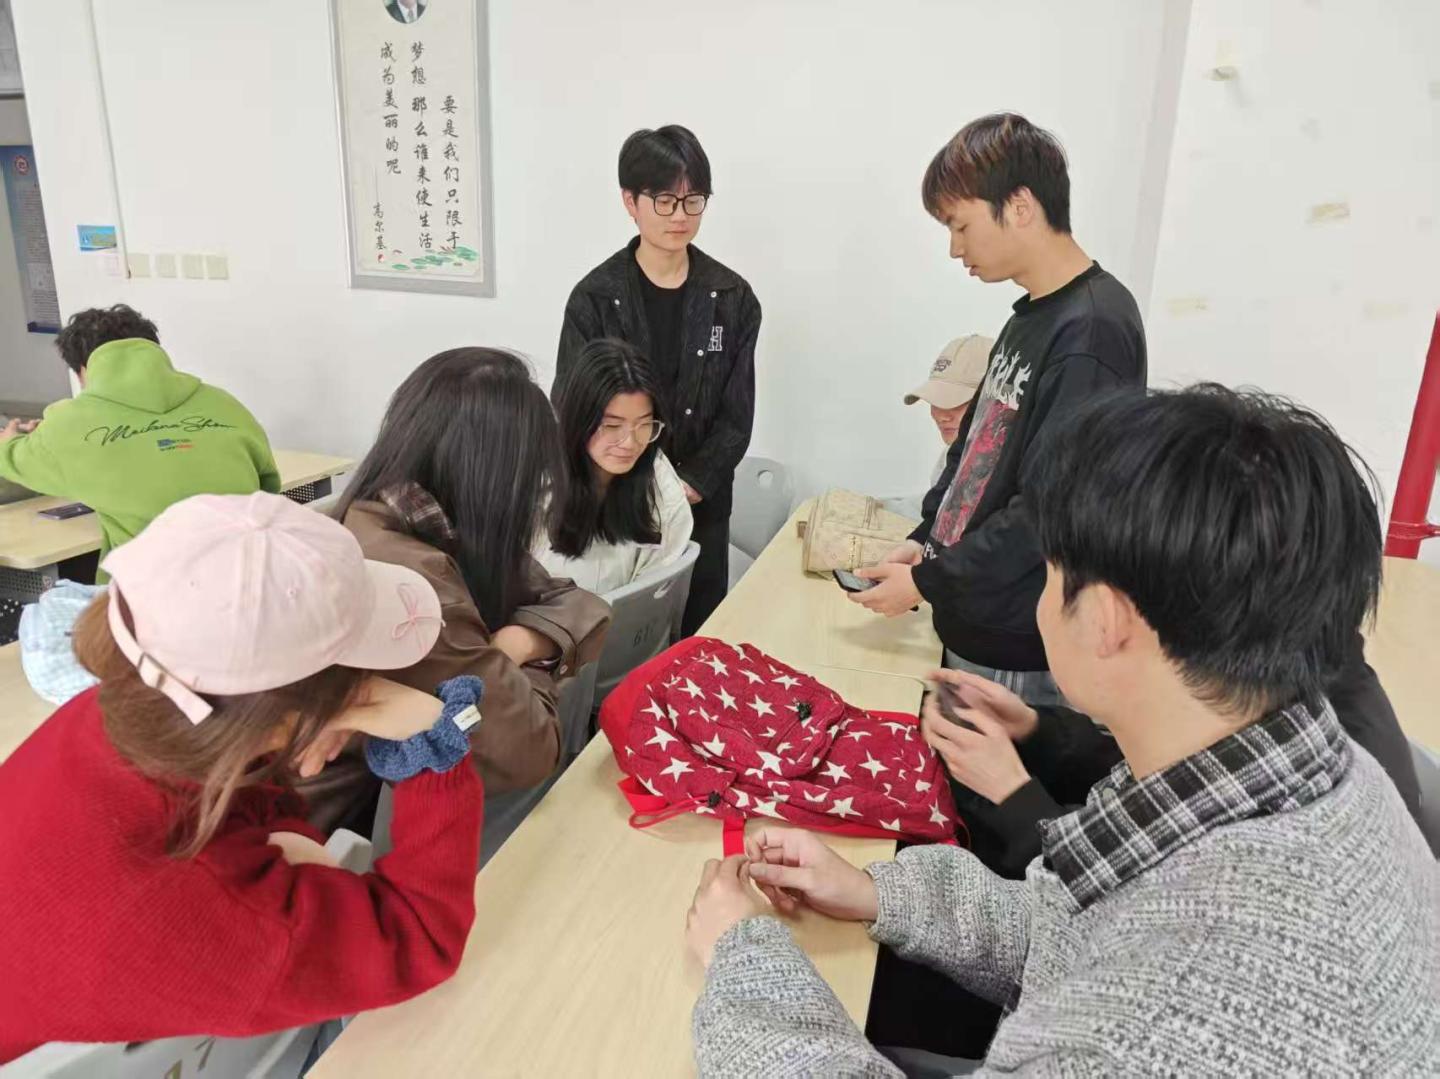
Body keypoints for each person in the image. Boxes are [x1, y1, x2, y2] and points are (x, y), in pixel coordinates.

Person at [686, 385, 1439, 1076]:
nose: (1040, 601)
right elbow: (1088, 933)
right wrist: (875, 892)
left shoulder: (1167, 1025)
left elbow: (1129, 998)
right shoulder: (1318, 773)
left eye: (1045, 575)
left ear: (1105, 619)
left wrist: (744, 959)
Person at [0, 492, 482, 1063]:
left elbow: (237, 806)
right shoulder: (225, 916)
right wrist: (433, 747)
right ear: (280, 718)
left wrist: (289, 772)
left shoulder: (122, 711)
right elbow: (421, 941)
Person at [852, 114, 1145, 707]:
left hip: (1019, 643)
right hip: (974, 616)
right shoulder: (1029, 317)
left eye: (960, 225)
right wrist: (925, 542)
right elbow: (972, 455)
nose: (954, 248)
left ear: (1019, 206)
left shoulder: (1092, 330)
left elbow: (1046, 511)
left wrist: (927, 581)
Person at [313, 348, 611, 838]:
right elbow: (530, 747)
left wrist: (515, 644)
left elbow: (582, 603)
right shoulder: (415, 586)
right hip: (346, 832)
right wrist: (521, 669)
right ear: (495, 475)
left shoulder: (405, 514)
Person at [558, 125, 761, 635]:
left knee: (698, 637)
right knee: (618, 641)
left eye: (693, 201)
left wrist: (684, 489)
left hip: (701, 505)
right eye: (665, 200)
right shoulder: (594, 298)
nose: (679, 216)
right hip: (614, 506)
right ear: (631, 201)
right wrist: (639, 488)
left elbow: (736, 417)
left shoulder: (732, 297)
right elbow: (573, 409)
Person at [0, 304, 279, 570]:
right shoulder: (225, 404)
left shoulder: (68, 422)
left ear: (84, 370)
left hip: (150, 590)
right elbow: (268, 486)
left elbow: (14, 461)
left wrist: (10, 441)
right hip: (255, 572)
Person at [534, 337, 692, 595]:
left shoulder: (661, 486)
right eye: (612, 425)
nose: (630, 443)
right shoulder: (537, 482)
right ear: (579, 419)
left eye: (644, 424)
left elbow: (652, 599)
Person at [883, 334, 993, 520]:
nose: (942, 416)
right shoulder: (952, 455)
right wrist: (883, 507)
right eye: (936, 400)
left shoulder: (1008, 470)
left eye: (956, 401)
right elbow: (936, 507)